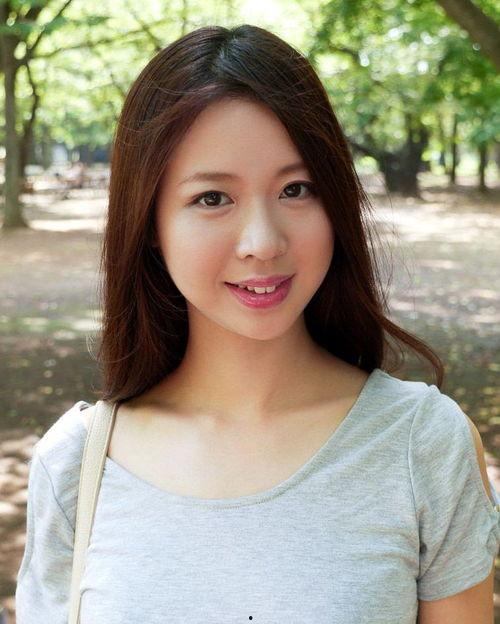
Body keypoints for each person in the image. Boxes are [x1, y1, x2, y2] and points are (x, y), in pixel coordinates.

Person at [15, 24, 500, 624]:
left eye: (296, 189)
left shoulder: (423, 446)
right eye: (212, 198)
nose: (263, 243)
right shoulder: (74, 464)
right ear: (150, 225)